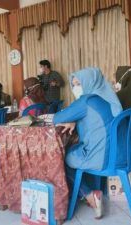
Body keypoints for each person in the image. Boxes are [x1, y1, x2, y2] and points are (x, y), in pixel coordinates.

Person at [53, 67, 123, 218]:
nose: (76, 88)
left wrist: (71, 119)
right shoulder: (107, 96)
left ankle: (90, 194)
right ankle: (89, 190)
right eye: (74, 84)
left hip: (103, 159)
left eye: (79, 83)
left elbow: (57, 118)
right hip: (121, 154)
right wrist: (75, 121)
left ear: (89, 82)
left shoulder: (86, 100)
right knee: (79, 149)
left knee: (61, 158)